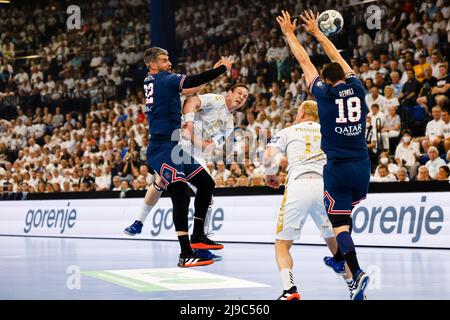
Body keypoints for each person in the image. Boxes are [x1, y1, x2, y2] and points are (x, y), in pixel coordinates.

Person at [277, 10, 370, 300]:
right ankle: (351, 276)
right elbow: (338, 61)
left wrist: (291, 34)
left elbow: (305, 61)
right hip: (363, 166)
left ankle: (356, 271)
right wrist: (320, 34)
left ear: (326, 82)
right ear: (344, 76)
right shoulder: (357, 87)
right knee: (343, 221)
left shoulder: (323, 95)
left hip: (337, 169)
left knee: (339, 224)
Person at [123, 80, 249, 259]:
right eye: (239, 94)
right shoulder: (216, 99)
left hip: (196, 151)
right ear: (229, 93)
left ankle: (200, 242)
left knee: (208, 193)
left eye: (244, 97)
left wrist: (192, 138)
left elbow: (208, 147)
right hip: (178, 140)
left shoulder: (229, 124)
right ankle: (138, 222)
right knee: (160, 180)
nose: (241, 98)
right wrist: (189, 125)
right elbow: (191, 102)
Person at [132, 47, 232, 268]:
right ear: (153, 65)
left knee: (206, 183)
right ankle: (185, 253)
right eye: (164, 59)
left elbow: (188, 89)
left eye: (169, 58)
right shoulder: (166, 79)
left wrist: (212, 73)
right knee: (180, 192)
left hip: (172, 146)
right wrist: (222, 69)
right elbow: (194, 80)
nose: (169, 61)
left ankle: (198, 235)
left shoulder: (154, 81)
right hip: (160, 148)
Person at [264, 101, 353, 300]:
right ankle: (353, 286)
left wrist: (270, 175)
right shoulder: (330, 130)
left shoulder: (288, 131)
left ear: (302, 112)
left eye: (297, 111)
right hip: (325, 186)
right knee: (334, 241)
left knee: (282, 243)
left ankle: (289, 289)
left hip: (298, 185)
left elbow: (268, 154)